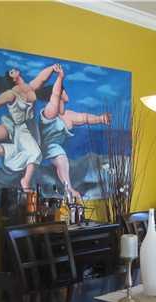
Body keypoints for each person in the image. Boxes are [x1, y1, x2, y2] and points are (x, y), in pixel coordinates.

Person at [0, 65, 58, 190]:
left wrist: (52, 68)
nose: (14, 69)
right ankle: (25, 182)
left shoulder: (29, 87)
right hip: (21, 128)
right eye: (11, 71)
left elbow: (42, 78)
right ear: (12, 78)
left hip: (32, 127)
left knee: (22, 151)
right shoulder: (11, 94)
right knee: (35, 153)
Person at [38, 64, 111, 200]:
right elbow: (55, 95)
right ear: (61, 94)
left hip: (54, 147)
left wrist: (101, 118)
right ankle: (69, 189)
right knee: (61, 157)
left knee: (61, 156)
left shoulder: (68, 115)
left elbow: (85, 118)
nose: (66, 93)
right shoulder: (50, 112)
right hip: (46, 146)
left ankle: (68, 188)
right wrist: (60, 77)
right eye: (64, 91)